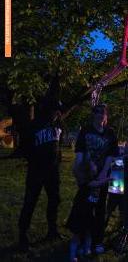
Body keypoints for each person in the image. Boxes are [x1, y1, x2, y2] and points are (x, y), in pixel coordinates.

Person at [66, 103, 119, 258]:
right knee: (85, 209)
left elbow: (111, 155)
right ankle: (83, 240)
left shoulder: (110, 133)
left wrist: (103, 174)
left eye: (102, 112)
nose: (100, 115)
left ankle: (98, 241)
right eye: (97, 112)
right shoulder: (85, 131)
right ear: (93, 115)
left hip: (102, 176)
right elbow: (80, 153)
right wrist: (80, 172)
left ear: (106, 116)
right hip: (87, 175)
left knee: (100, 209)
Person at [18, 101, 63, 251]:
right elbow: (25, 147)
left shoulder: (58, 125)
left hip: (53, 171)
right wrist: (35, 161)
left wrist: (58, 161)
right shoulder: (35, 125)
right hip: (36, 171)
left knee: (54, 200)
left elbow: (58, 146)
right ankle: (22, 235)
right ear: (49, 110)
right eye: (56, 111)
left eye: (58, 111)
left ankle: (52, 230)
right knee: (30, 202)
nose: (58, 114)